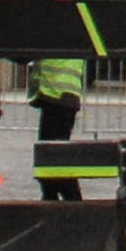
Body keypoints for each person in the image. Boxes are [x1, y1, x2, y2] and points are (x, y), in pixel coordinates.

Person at [29, 51, 88, 201]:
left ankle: (73, 204)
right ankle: (51, 199)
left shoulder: (53, 31)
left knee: (53, 157)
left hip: (57, 96)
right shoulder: (65, 31)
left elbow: (25, 52)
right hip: (62, 97)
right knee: (51, 156)